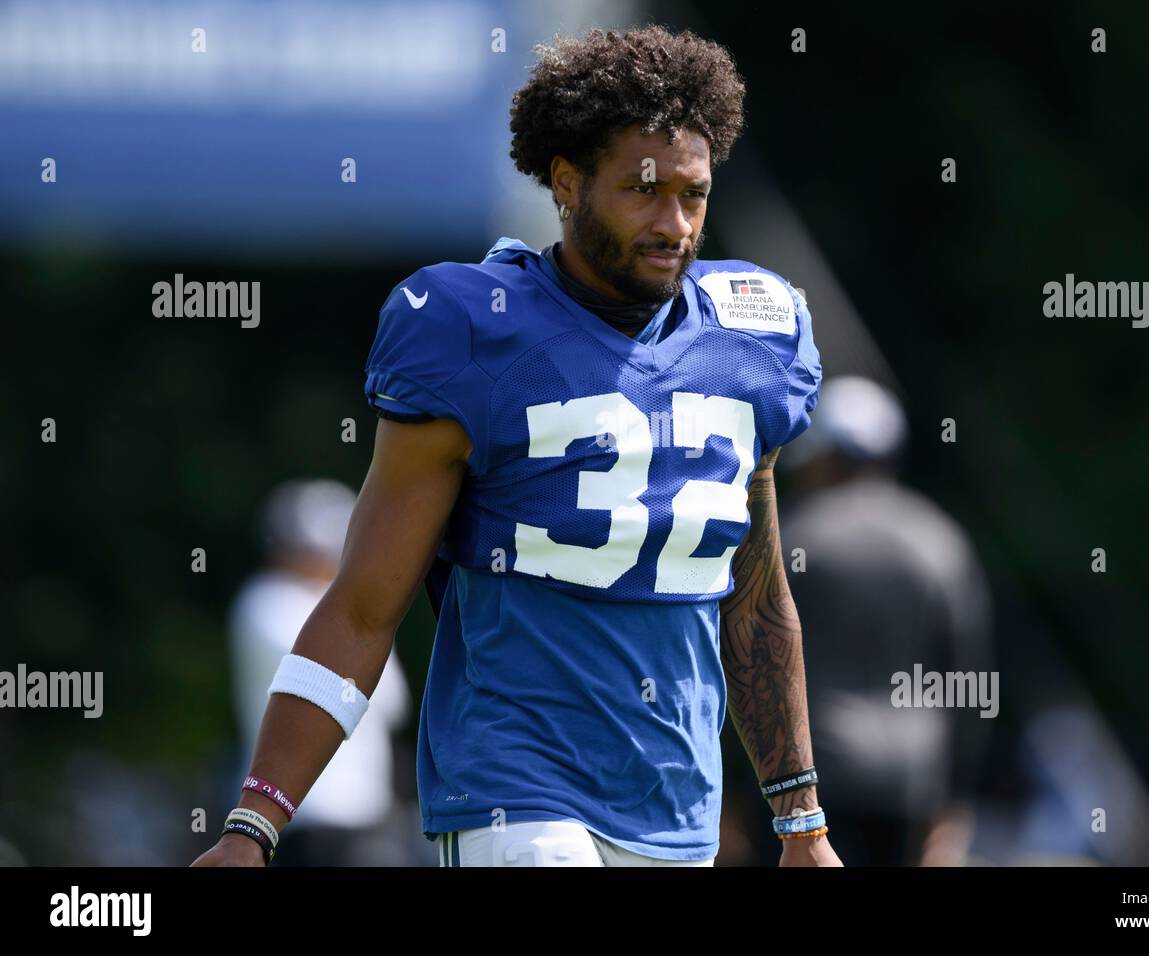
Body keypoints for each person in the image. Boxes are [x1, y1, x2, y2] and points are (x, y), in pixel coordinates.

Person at [193, 25, 840, 868]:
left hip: (676, 801)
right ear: (567, 183)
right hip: (515, 788)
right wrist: (254, 822)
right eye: (644, 192)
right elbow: (362, 604)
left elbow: (754, 602)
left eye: (694, 194)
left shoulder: (751, 336)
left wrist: (802, 824)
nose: (674, 224)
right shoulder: (474, 331)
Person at [779, 376, 994, 865]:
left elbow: (748, 662)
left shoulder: (792, 537)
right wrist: (957, 800)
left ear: (823, 457)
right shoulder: (940, 538)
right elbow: (969, 678)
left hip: (805, 786)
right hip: (912, 784)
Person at [228, 479, 411, 865]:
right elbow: (335, 676)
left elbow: (393, 703)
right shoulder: (265, 601)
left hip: (363, 807)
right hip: (295, 811)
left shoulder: (354, 615)